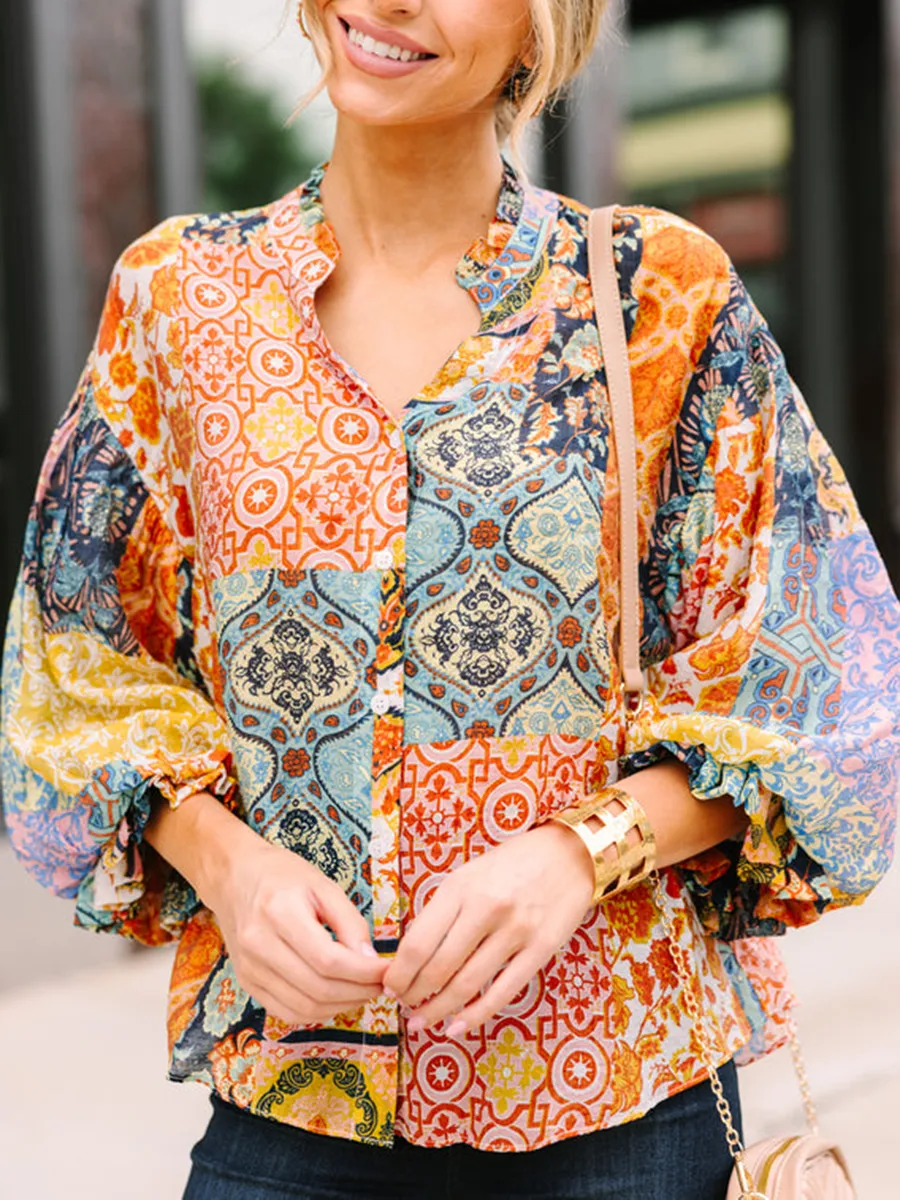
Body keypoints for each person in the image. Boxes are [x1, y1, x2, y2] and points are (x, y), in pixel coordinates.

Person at [2, 1, 898, 1196]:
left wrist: (580, 856)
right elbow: (73, 665)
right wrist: (224, 861)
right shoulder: (178, 300)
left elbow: (826, 674)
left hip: (627, 1101)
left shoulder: (653, 294)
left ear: (543, 26)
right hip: (292, 1110)